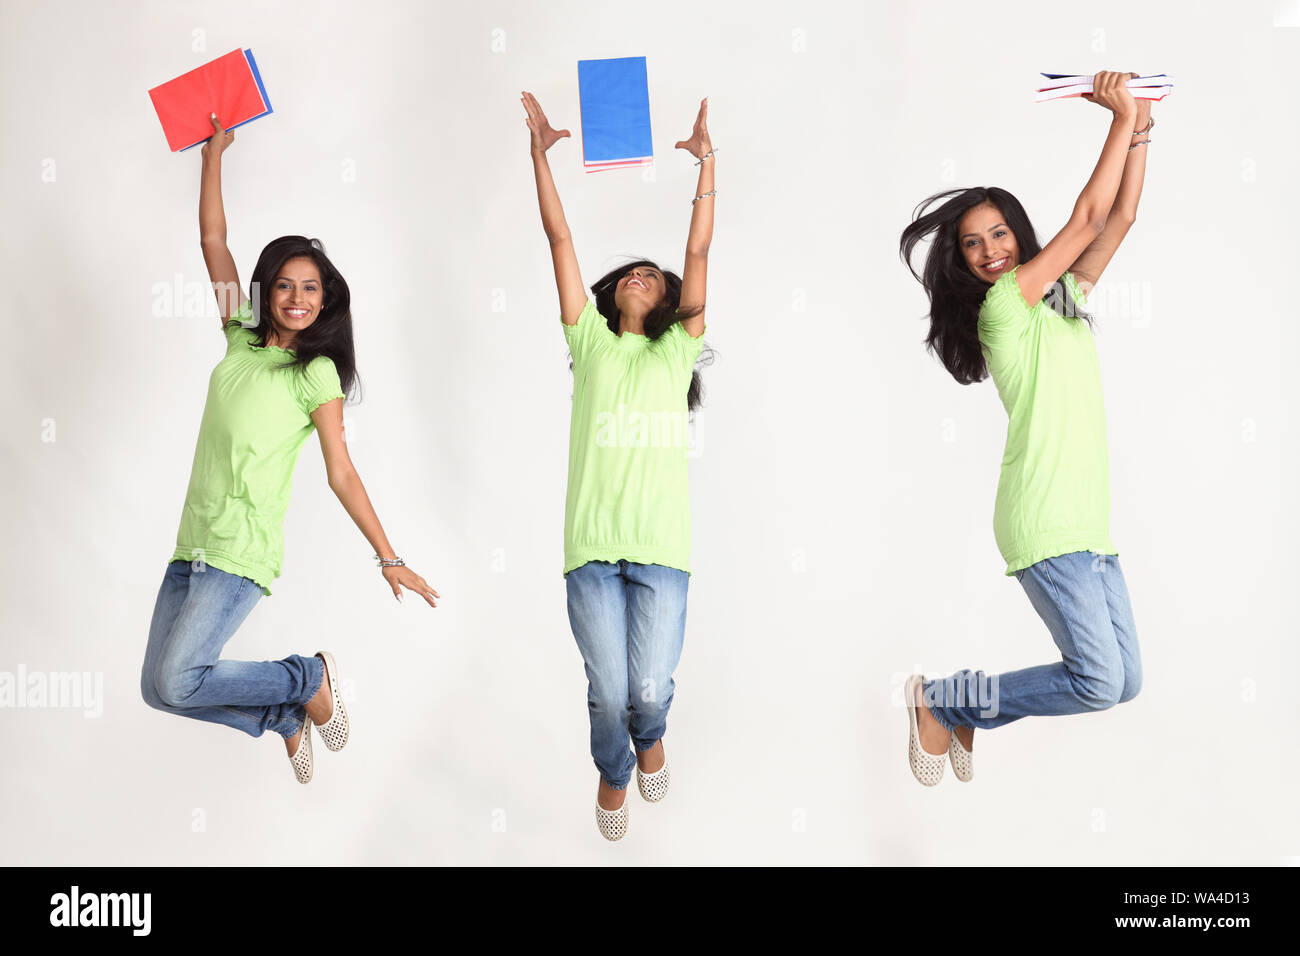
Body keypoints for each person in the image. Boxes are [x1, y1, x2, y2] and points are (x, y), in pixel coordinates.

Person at [141, 114, 440, 784]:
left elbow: (341, 471)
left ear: (325, 298)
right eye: (285, 285)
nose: (297, 298)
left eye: (311, 288)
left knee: (180, 679)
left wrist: (387, 556)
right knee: (159, 689)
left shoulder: (316, 374)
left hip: (239, 551)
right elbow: (212, 239)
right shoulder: (241, 338)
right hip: (191, 543)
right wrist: (213, 154)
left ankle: (306, 677)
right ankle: (282, 715)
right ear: (266, 292)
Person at [897, 71, 1151, 785]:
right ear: (964, 261)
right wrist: (1119, 116)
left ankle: (964, 708)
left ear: (1017, 233)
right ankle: (943, 701)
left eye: (999, 233)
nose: (989, 250)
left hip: (1089, 527)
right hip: (1044, 519)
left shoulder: (1061, 302)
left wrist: (1139, 135)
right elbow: (1084, 221)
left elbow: (1119, 219)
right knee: (1096, 681)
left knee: (1123, 683)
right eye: (973, 244)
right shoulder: (1003, 309)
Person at [521, 90, 715, 838]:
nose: (640, 273)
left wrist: (706, 167)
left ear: (666, 301)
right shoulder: (591, 343)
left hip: (662, 547)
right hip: (591, 548)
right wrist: (539, 157)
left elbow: (697, 253)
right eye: (629, 271)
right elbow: (560, 240)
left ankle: (652, 733)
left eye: (652, 274)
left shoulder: (675, 351)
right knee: (607, 690)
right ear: (611, 295)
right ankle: (613, 770)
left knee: (648, 684)